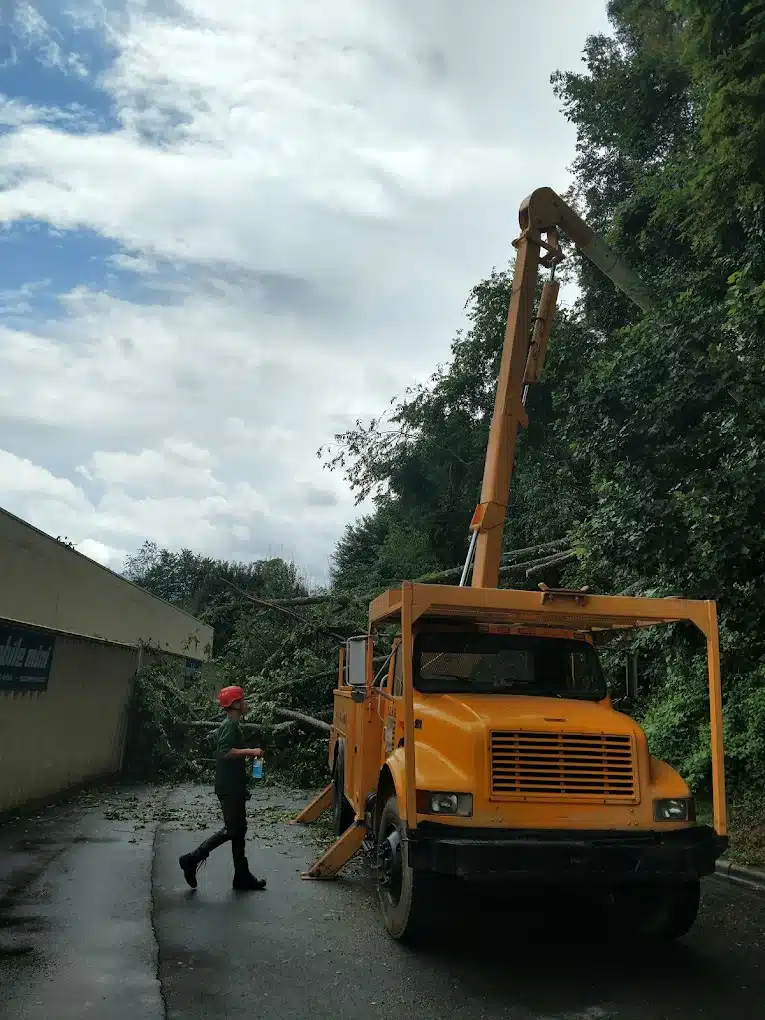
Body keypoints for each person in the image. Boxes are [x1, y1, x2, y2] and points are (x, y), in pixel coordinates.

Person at [179, 685, 267, 891]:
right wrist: (250, 751)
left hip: (235, 784)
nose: (246, 703)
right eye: (243, 700)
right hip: (228, 786)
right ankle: (192, 859)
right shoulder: (229, 725)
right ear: (235, 705)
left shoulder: (234, 724)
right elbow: (225, 752)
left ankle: (242, 876)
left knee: (239, 829)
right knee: (232, 829)